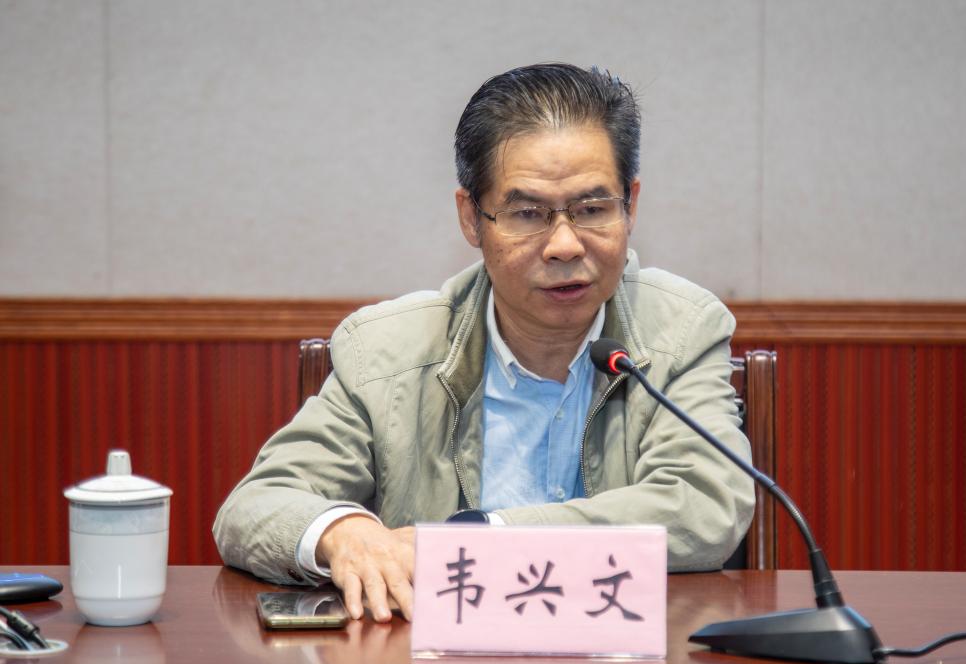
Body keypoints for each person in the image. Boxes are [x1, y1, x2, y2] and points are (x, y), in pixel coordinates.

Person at [214, 62, 755, 625]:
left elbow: (704, 505)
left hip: (617, 651)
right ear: (471, 219)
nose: (565, 245)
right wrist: (341, 532)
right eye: (527, 214)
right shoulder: (385, 351)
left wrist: (485, 539)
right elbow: (256, 506)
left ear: (630, 206)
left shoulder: (682, 331)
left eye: (593, 210)